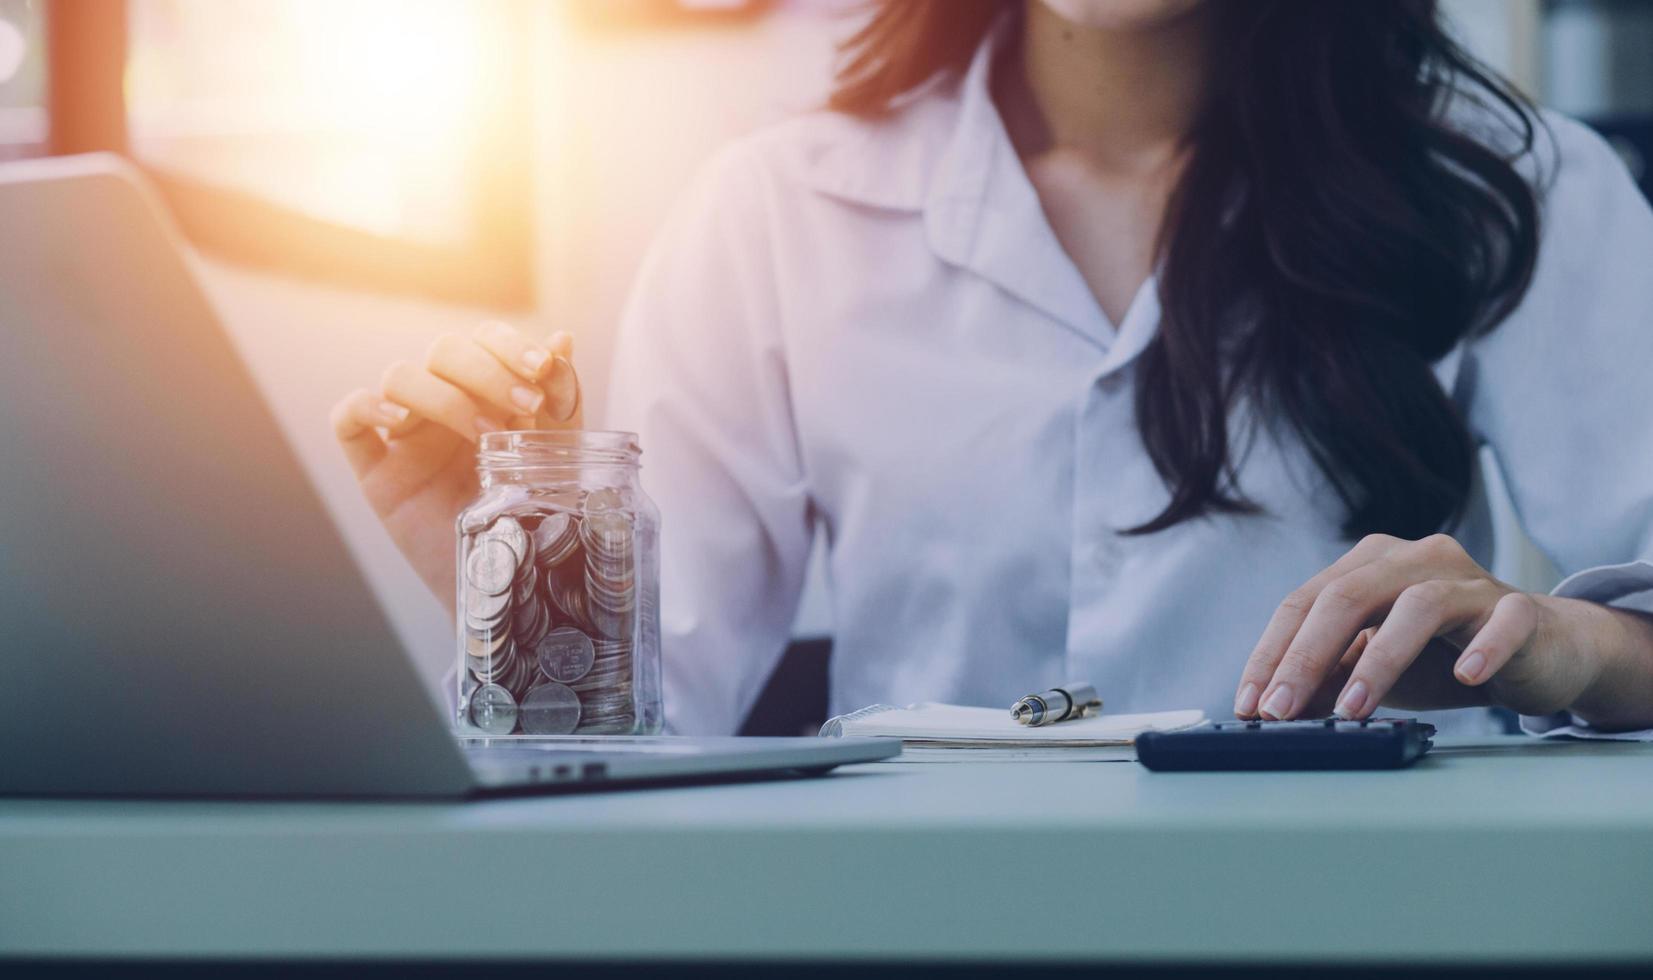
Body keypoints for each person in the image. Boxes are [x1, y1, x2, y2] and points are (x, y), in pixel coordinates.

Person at [333, 0, 1653, 737]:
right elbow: (641, 733)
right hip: (904, 931)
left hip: (1365, 925)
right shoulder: (774, 210)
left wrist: (1566, 650)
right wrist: (512, 589)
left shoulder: (1510, 186)